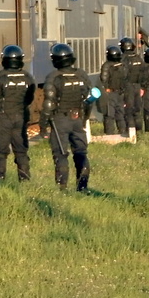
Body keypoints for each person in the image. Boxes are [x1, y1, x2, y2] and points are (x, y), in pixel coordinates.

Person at [41, 43, 94, 192]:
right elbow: (89, 99)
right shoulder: (82, 75)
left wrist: (43, 126)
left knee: (61, 154)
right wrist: (84, 119)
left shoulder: (53, 77)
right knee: (81, 152)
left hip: (60, 120)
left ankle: (62, 187)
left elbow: (48, 105)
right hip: (77, 118)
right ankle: (83, 186)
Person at [0, 45, 35, 182]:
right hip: (20, 118)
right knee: (21, 151)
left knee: (1, 153)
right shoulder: (27, 77)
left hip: (2, 119)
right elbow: (30, 98)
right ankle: (25, 179)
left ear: (4, 59)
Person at [98, 45, 127, 136]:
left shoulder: (107, 65)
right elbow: (125, 78)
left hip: (110, 93)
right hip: (120, 93)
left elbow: (103, 78)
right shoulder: (122, 65)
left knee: (109, 115)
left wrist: (105, 88)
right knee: (120, 114)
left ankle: (109, 134)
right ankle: (122, 132)